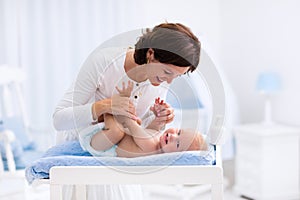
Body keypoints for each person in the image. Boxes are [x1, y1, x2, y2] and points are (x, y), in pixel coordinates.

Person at [52, 22, 201, 200]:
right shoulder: (104, 62)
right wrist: (105, 106)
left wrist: (158, 118)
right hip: (83, 155)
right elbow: (59, 119)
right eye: (167, 72)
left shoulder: (159, 80)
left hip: (118, 161)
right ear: (151, 53)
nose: (168, 82)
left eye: (175, 76)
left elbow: (141, 136)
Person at [79, 81, 207, 158]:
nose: (173, 136)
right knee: (128, 126)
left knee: (119, 130)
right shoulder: (157, 140)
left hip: (103, 146)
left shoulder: (151, 147)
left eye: (177, 144)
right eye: (178, 132)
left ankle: (109, 110)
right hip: (108, 139)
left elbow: (131, 124)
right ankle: (111, 109)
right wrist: (158, 116)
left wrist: (125, 103)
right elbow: (152, 129)